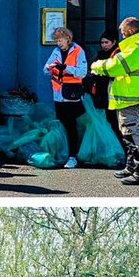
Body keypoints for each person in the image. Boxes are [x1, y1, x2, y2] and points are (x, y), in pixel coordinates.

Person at [89, 16, 139, 185]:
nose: (121, 34)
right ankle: (131, 166)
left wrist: (95, 65)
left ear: (130, 30)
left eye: (123, 31)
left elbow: (114, 67)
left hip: (129, 95)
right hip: (133, 93)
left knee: (132, 132)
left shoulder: (134, 49)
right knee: (127, 132)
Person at [42, 26, 88, 169]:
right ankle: (63, 153)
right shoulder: (56, 52)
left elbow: (82, 72)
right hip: (58, 95)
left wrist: (66, 68)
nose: (58, 43)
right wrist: (49, 68)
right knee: (61, 125)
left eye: (60, 40)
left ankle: (73, 156)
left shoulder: (78, 51)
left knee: (71, 127)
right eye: (56, 40)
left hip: (72, 96)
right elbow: (45, 70)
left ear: (68, 38)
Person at [84, 32, 119, 112]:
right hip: (100, 87)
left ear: (113, 42)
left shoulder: (116, 54)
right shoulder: (100, 54)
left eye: (107, 42)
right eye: (102, 43)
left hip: (112, 86)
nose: (104, 45)